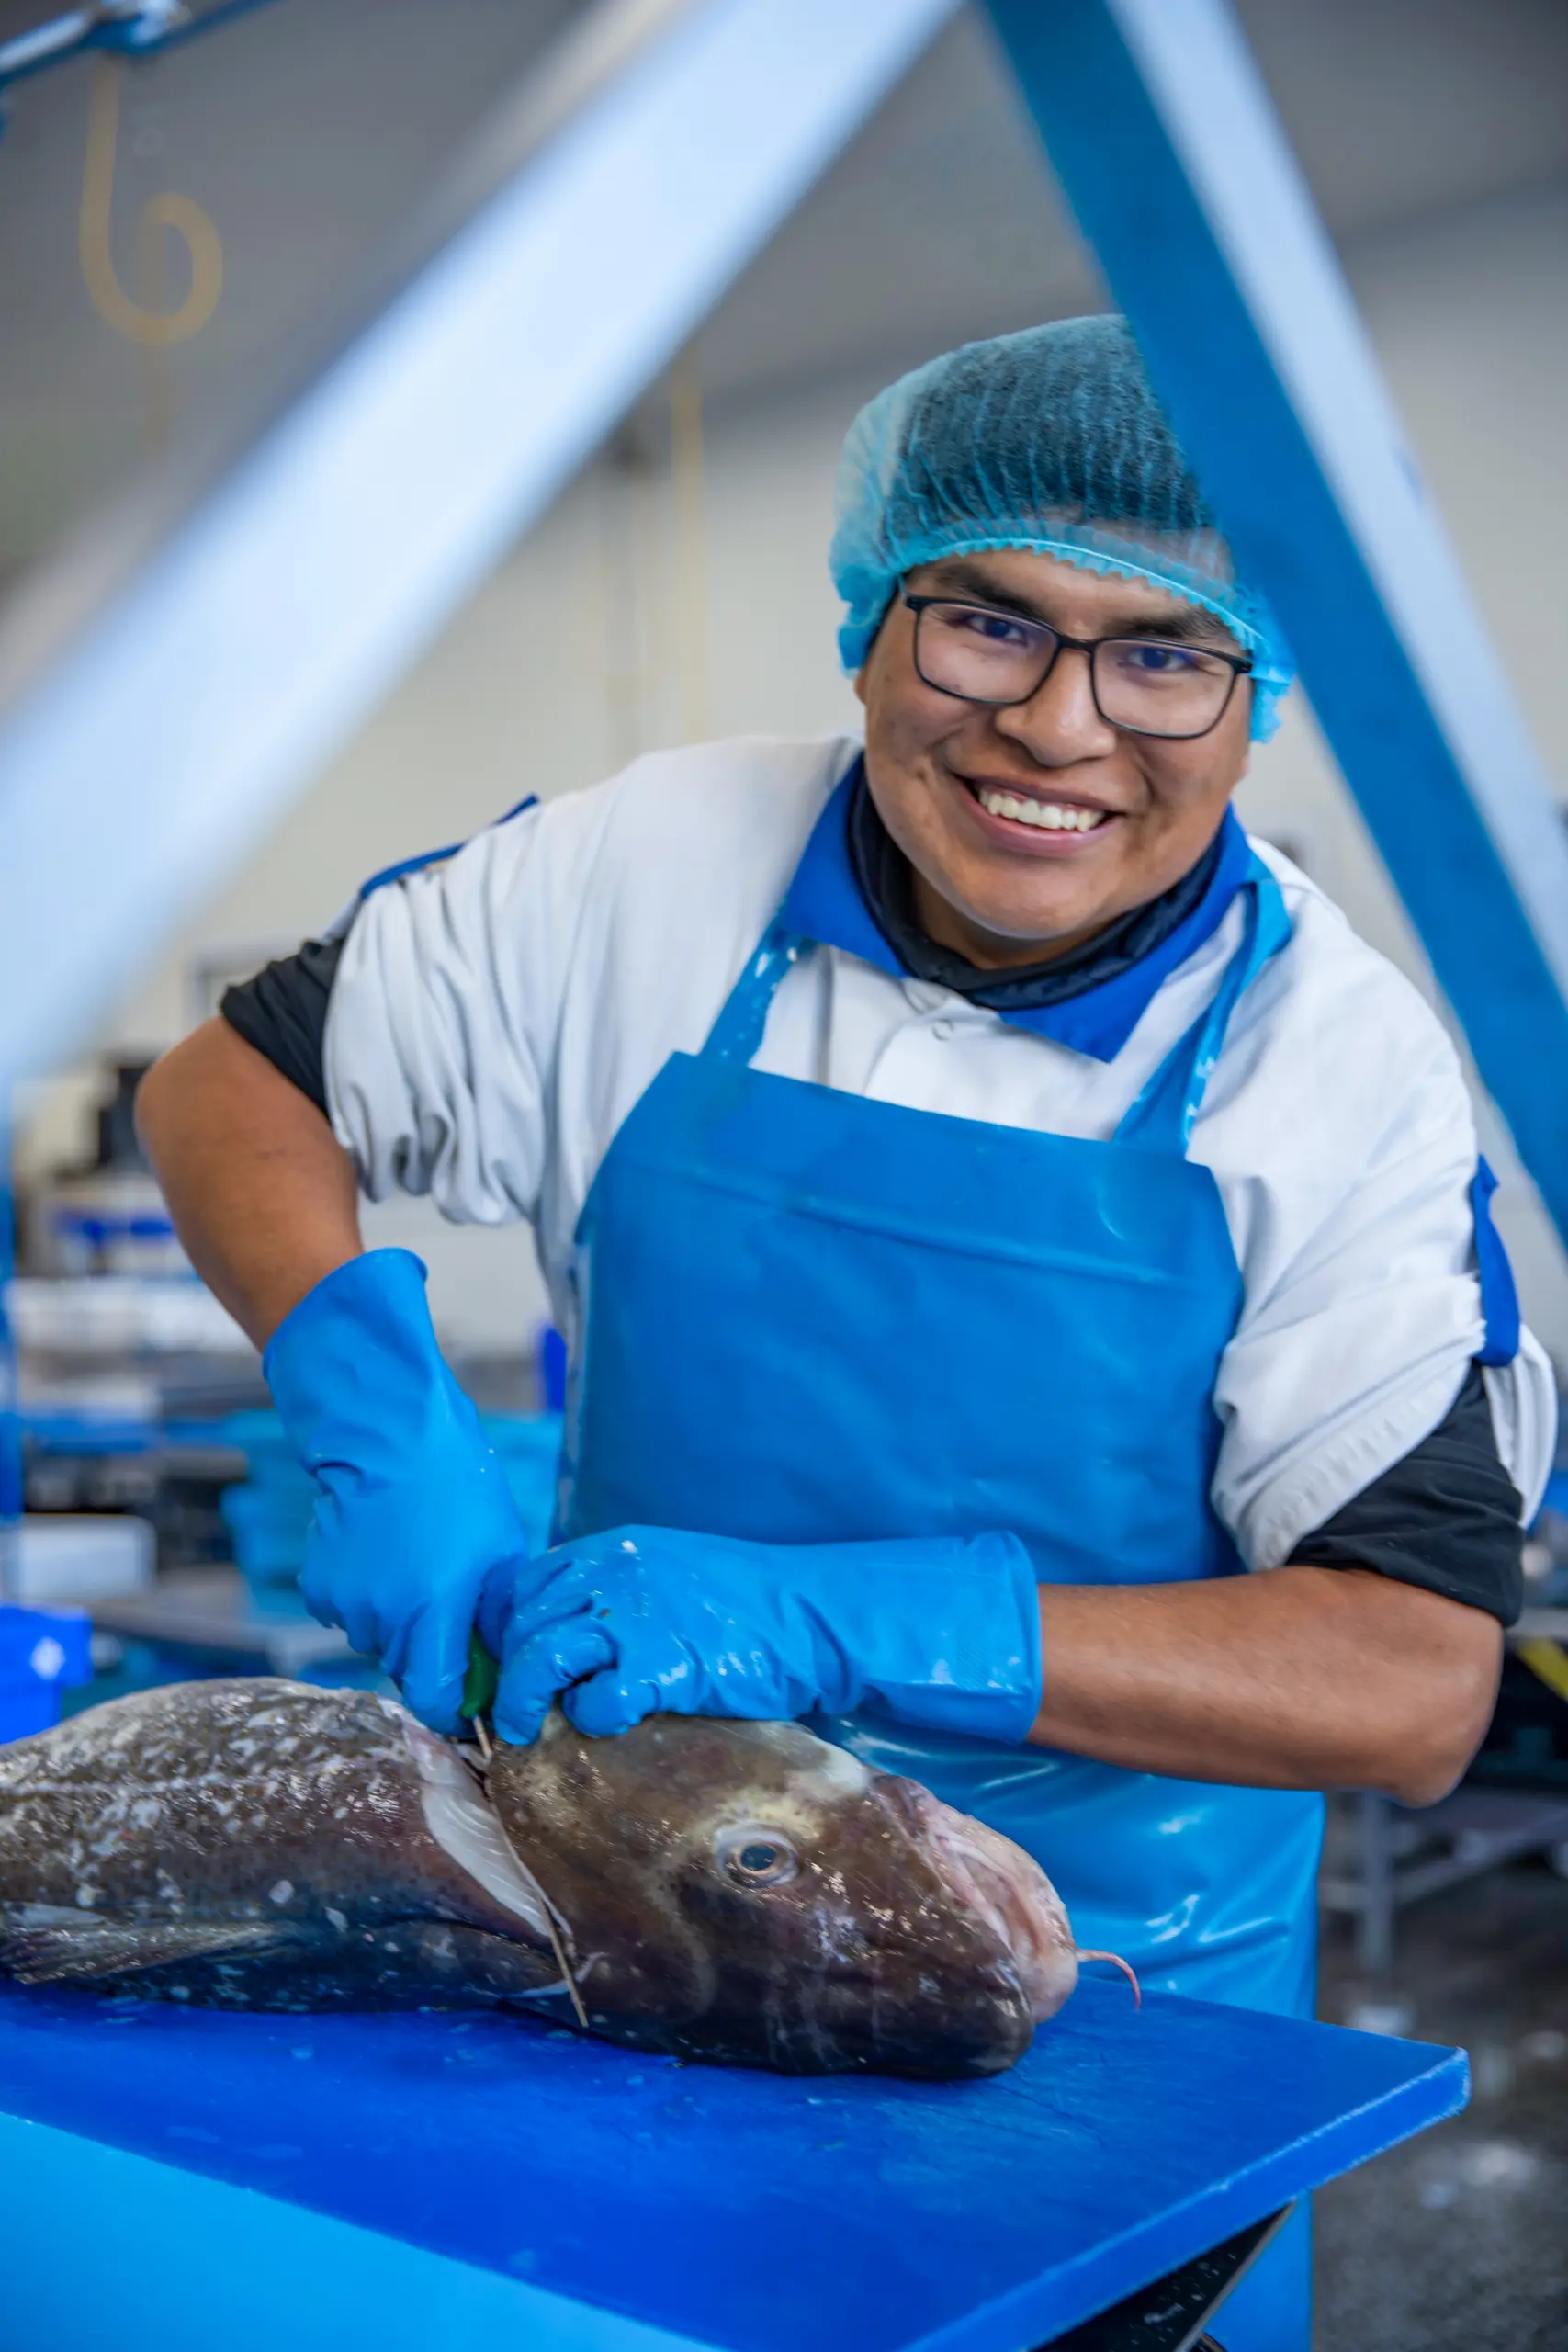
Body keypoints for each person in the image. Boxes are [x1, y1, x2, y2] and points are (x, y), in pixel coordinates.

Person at [138, 316, 1552, 2351]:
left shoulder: (1336, 1075)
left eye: (1162, 653)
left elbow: (1412, 1674)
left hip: (1089, 2006)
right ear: (867, 620)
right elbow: (233, 1081)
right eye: (984, 621)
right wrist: (363, 1383)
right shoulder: (638, 869)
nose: (1057, 726)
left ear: (1262, 693)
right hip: (616, 1921)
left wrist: (849, 1618)